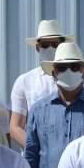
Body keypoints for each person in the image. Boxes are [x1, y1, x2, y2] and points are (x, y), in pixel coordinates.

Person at [10, 20, 74, 148]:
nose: (50, 48)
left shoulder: (79, 78)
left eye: (55, 44)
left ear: (62, 45)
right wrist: (36, 150)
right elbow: (15, 126)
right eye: (45, 44)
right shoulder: (24, 81)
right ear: (37, 47)